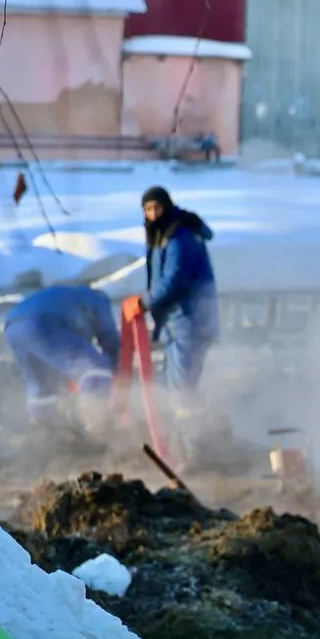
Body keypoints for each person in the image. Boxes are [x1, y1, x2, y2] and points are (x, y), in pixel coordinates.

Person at [130, 185, 222, 464]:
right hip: (175, 322)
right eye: (148, 209)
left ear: (167, 206)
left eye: (157, 207)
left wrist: (145, 303)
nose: (153, 213)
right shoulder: (162, 237)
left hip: (190, 320)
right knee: (177, 388)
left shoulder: (179, 237)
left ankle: (196, 452)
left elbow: (174, 281)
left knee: (183, 389)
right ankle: (194, 446)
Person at [3, 284, 120, 441]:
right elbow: (110, 342)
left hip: (13, 325)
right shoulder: (99, 300)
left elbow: (62, 357)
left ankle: (44, 435)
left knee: (43, 386)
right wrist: (117, 377)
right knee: (96, 368)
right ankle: (98, 429)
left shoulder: (68, 297)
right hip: (45, 321)